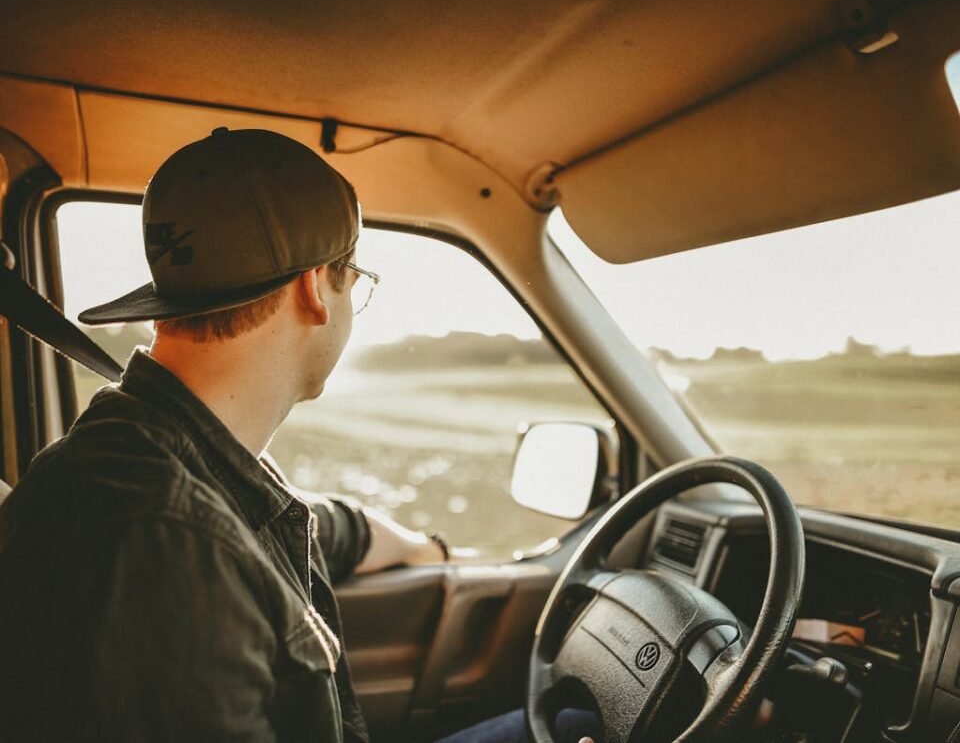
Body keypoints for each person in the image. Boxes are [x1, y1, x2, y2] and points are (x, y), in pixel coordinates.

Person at [0, 128, 597, 743]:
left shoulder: (170, 452)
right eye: (354, 279)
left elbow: (301, 525)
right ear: (315, 287)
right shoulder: (167, 547)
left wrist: (424, 549)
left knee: (571, 722)